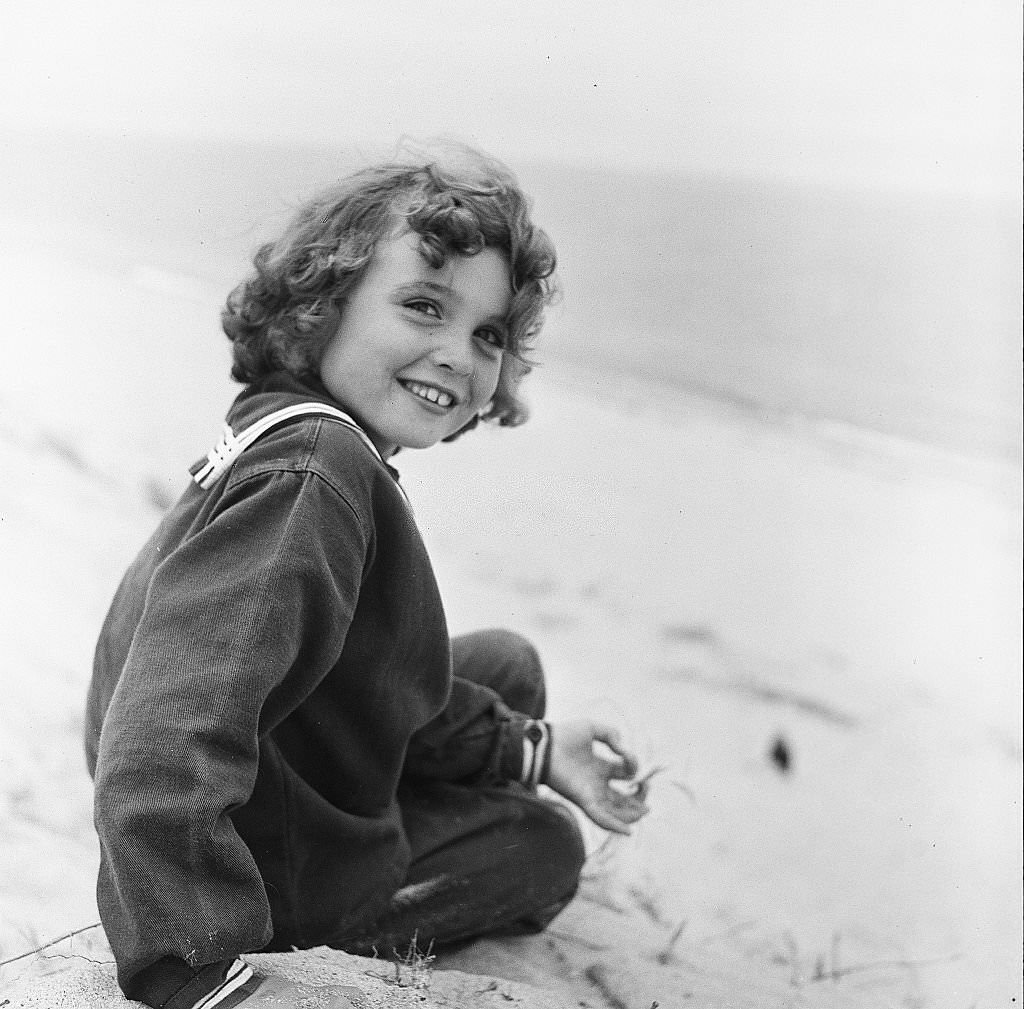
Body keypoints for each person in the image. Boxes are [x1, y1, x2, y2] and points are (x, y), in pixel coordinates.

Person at [85, 143, 649, 1009]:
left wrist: (533, 744)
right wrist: (193, 967)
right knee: (542, 844)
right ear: (323, 306)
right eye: (424, 307)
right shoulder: (314, 476)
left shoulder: (295, 433)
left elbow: (370, 667)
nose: (459, 356)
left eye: (487, 333)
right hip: (264, 863)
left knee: (508, 663)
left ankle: (488, 762)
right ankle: (332, 887)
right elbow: (162, 741)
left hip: (281, 759)